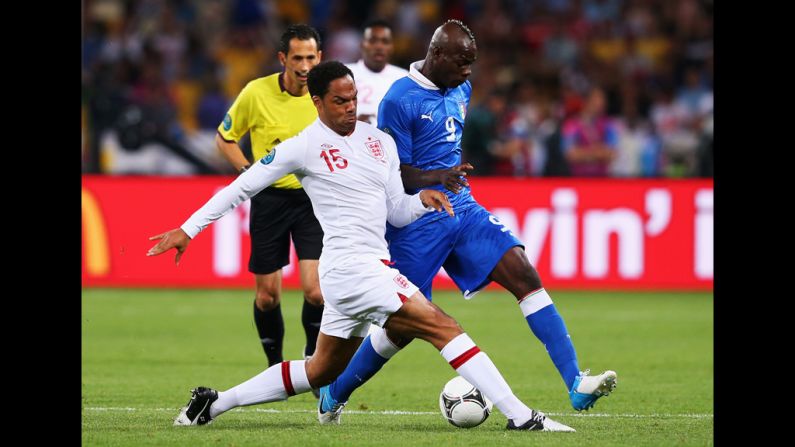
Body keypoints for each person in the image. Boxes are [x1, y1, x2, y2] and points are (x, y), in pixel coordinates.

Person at [147, 61, 574, 432]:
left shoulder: (378, 142)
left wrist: (423, 201)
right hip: (352, 267)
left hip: (362, 268)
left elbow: (396, 211)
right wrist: (188, 228)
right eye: (339, 101)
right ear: (316, 102)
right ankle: (521, 416)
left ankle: (214, 402)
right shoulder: (302, 147)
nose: (350, 107)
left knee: (320, 371)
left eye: (352, 98)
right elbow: (240, 188)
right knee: (445, 328)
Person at [318, 20, 617, 421]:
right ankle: (334, 393)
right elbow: (394, 173)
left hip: (462, 208)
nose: (468, 71)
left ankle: (576, 383)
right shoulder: (399, 101)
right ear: (437, 54)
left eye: (472, 63)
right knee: (401, 328)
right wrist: (436, 176)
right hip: (417, 221)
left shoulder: (461, 87)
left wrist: (450, 178)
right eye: (462, 62)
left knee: (524, 272)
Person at [215, 24, 325, 368]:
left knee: (317, 292)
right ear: (283, 58)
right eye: (297, 58)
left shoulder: (326, 94)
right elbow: (225, 138)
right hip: (270, 201)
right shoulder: (256, 93)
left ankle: (312, 358)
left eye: (311, 57)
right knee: (267, 297)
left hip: (313, 199)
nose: (305, 66)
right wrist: (250, 173)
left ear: (319, 57)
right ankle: (275, 366)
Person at [345, 19, 408, 125]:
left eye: (385, 41)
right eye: (372, 41)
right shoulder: (343, 74)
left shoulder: (404, 78)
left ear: (392, 47)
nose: (379, 46)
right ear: (361, 44)